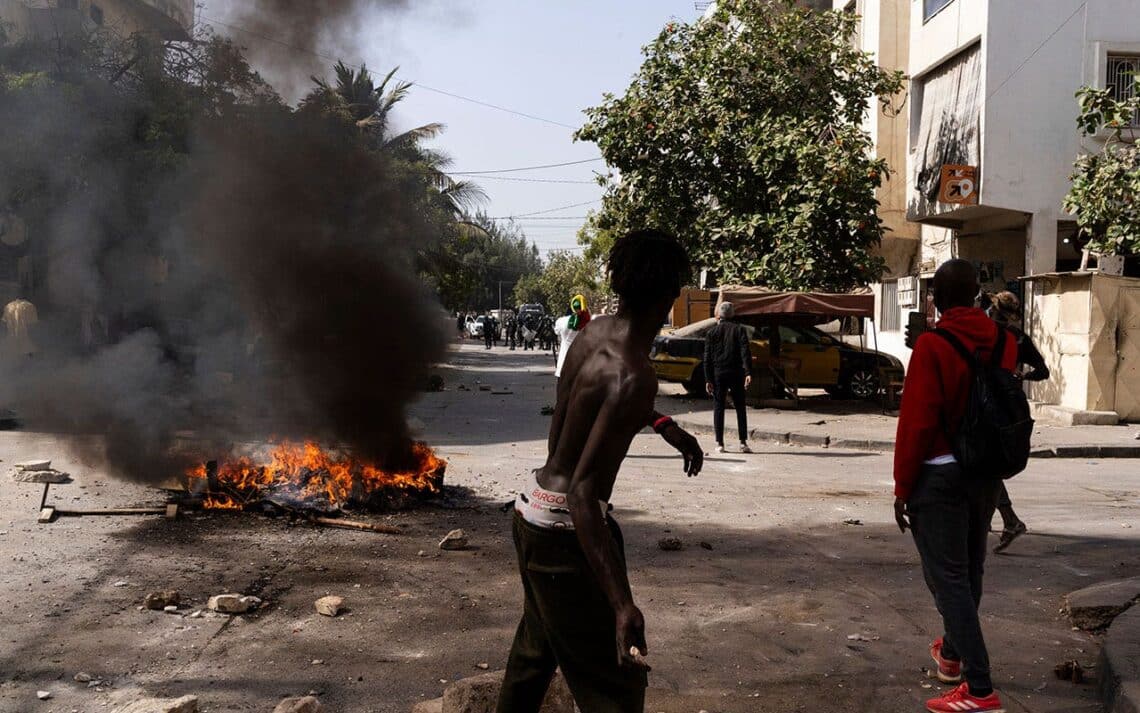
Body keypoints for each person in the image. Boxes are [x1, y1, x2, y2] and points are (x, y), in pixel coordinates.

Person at [497, 229, 704, 713]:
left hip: (531, 513)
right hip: (566, 536)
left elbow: (586, 405)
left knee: (534, 656)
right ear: (672, 293)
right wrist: (621, 604)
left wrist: (660, 421)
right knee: (614, 687)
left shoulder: (592, 334)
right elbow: (584, 496)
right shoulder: (635, 375)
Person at [893, 259, 1018, 713]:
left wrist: (902, 486)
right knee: (970, 571)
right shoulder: (1003, 340)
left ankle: (980, 688)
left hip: (939, 474)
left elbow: (917, 421)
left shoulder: (932, 344)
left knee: (947, 579)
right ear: (975, 296)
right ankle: (950, 654)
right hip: (985, 473)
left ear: (937, 300)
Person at [986, 291, 1049, 553]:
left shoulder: (989, 333)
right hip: (1012, 409)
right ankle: (998, 519)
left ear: (994, 308)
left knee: (984, 466)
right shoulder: (1019, 337)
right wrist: (1020, 376)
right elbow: (1043, 371)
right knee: (988, 465)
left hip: (988, 406)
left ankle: (1008, 520)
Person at [703, 301, 752, 454]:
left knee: (719, 407)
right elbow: (745, 351)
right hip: (736, 373)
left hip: (718, 373)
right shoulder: (739, 330)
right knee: (740, 407)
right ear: (733, 315)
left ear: (719, 315)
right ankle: (743, 442)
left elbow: (707, 358)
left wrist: (708, 379)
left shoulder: (712, 333)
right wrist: (748, 372)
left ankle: (720, 443)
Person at [554, 294, 592, 379]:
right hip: (583, 366)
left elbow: (556, 331)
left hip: (564, 364)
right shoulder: (589, 323)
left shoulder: (561, 321)